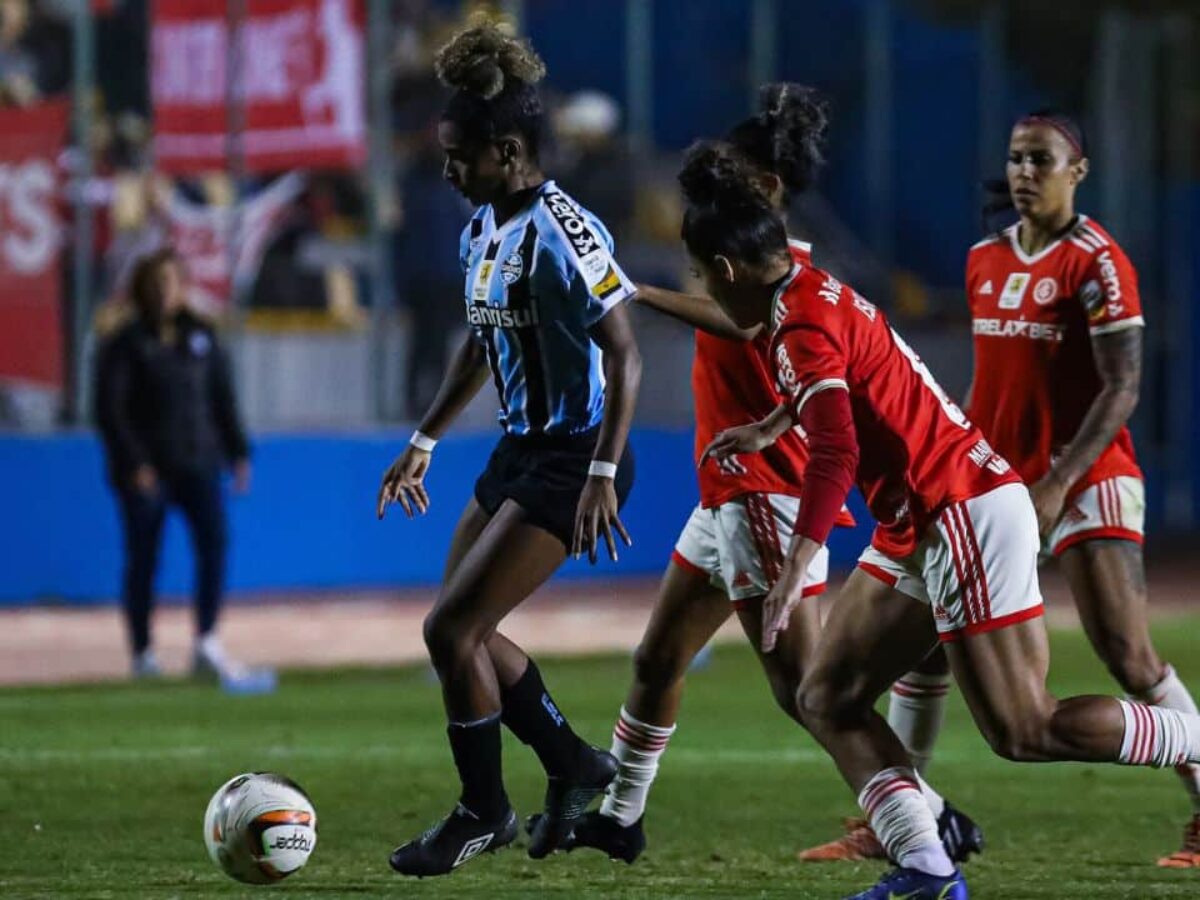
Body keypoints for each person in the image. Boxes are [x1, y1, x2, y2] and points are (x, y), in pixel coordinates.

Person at [687, 146, 1200, 900]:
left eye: (702, 276)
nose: (704, 290)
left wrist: (798, 564)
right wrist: (770, 427)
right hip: (923, 517)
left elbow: (836, 449)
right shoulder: (808, 287)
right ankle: (927, 870)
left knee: (1024, 730)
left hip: (960, 510)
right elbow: (853, 387)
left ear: (726, 272)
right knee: (826, 696)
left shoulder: (796, 327)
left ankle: (1193, 739)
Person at [540, 85, 980, 867]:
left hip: (768, 492)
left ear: (770, 187)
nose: (717, 180)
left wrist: (635, 291)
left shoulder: (775, 278)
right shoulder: (750, 259)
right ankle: (620, 815)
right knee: (658, 659)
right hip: (730, 493)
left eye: (736, 171)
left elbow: (745, 331)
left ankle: (931, 817)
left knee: (807, 690)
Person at [817, 109, 1200, 871]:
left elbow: (1123, 387)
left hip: (1088, 480)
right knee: (921, 655)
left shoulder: (1098, 262)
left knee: (1126, 654)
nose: (1027, 172)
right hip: (993, 482)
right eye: (1018, 159)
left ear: (1077, 171)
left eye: (1043, 160)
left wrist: (1060, 481)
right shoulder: (983, 258)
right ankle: (903, 814)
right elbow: (993, 379)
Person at [376, 22, 641, 877]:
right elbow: (480, 342)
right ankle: (571, 764)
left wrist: (603, 469)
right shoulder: (480, 229)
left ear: (510, 149)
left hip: (576, 457)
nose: (450, 171)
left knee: (452, 627)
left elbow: (626, 352)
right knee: (464, 631)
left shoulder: (565, 230)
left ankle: (482, 811)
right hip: (518, 453)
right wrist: (424, 438)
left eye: (461, 156)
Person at [94, 247, 252, 682]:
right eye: (156, 283)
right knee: (144, 556)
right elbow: (111, 410)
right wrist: (134, 463)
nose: (165, 292)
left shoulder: (201, 337)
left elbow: (222, 397)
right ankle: (143, 652)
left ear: (184, 288)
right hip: (147, 470)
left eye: (172, 283)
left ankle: (206, 641)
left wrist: (238, 451)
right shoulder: (124, 344)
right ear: (141, 290)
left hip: (199, 461)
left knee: (214, 542)